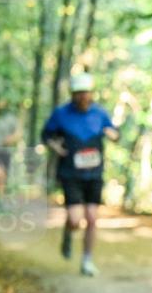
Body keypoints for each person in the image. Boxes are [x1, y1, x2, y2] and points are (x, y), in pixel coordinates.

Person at [41, 73, 119, 277]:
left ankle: (87, 261)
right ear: (73, 95)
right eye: (79, 94)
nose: (84, 98)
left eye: (87, 94)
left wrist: (113, 134)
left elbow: (114, 131)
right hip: (70, 173)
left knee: (92, 218)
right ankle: (68, 233)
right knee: (76, 220)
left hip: (94, 173)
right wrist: (56, 147)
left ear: (91, 94)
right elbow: (47, 135)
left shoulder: (100, 113)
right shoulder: (61, 114)